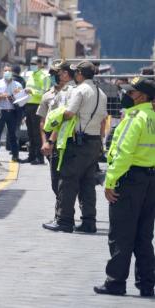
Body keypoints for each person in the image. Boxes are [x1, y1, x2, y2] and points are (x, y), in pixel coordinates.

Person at [94, 77, 155, 297]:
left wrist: (110, 182)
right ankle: (147, 284)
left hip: (129, 181)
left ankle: (115, 282)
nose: (127, 96)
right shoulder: (153, 117)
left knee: (121, 234)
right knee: (144, 236)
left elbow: (123, 153)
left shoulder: (135, 117)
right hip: (150, 182)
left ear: (143, 97)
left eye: (131, 93)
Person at [42, 60, 108, 233]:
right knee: (88, 183)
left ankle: (64, 221)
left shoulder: (80, 90)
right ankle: (89, 221)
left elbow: (70, 113)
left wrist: (55, 114)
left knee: (68, 180)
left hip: (78, 141)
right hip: (94, 141)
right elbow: (103, 119)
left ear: (79, 74)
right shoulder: (101, 92)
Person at [38, 61, 75, 194]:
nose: (55, 76)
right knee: (55, 178)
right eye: (52, 74)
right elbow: (42, 121)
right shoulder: (47, 95)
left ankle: (63, 208)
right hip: (51, 139)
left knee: (67, 178)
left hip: (66, 138)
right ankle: (61, 204)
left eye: (57, 73)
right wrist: (45, 142)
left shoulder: (73, 93)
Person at [0, 65, 23, 162]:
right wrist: (0, 96)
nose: (7, 72)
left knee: (13, 135)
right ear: (2, 72)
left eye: (9, 71)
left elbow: (21, 100)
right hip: (0, 111)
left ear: (12, 72)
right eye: (5, 71)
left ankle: (15, 155)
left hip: (12, 112)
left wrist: (13, 97)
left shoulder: (17, 85)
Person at [25, 56, 51, 164]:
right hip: (28, 105)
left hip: (38, 106)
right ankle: (31, 156)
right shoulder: (30, 75)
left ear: (41, 65)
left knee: (37, 133)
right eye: (31, 63)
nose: (33, 65)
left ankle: (39, 157)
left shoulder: (45, 76)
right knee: (30, 132)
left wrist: (33, 92)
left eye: (35, 63)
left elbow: (45, 92)